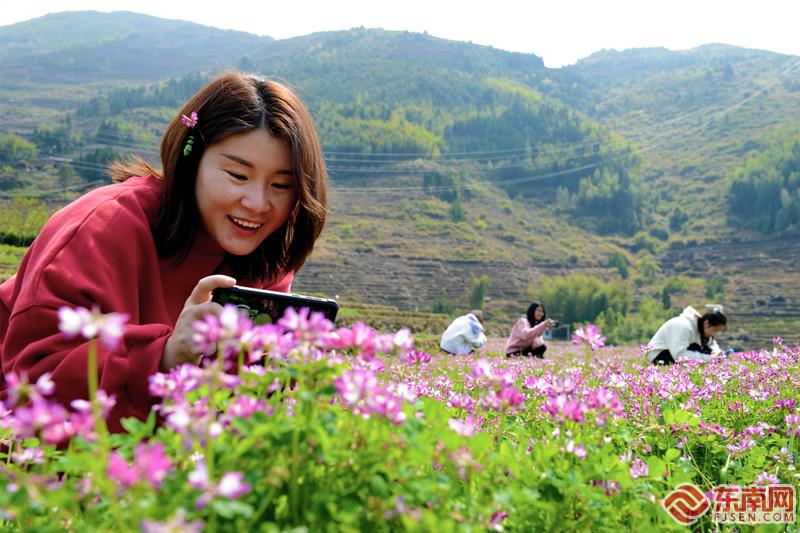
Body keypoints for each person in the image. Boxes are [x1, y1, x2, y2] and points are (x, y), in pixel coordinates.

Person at [0, 72, 328, 431]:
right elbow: (35, 382)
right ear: (192, 160)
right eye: (237, 175)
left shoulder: (268, 253)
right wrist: (166, 356)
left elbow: (238, 397)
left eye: (281, 185)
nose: (257, 203)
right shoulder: (102, 228)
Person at [645, 306, 727, 364]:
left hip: (672, 354)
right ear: (706, 323)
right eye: (715, 330)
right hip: (658, 356)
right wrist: (709, 359)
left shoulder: (701, 329)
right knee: (699, 350)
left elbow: (712, 345)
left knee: (704, 350)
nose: (715, 334)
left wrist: (718, 354)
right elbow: (680, 355)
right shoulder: (684, 326)